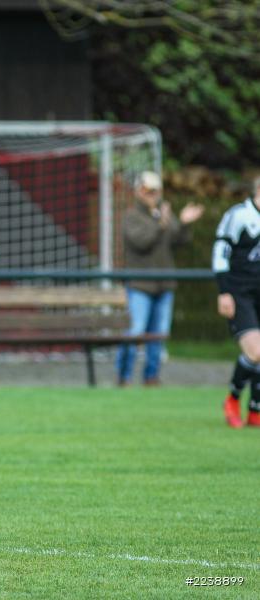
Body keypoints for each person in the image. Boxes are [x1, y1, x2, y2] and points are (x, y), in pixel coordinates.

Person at [116, 171, 204, 386]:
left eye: (155, 191)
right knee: (136, 332)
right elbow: (141, 242)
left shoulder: (162, 214)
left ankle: (151, 377)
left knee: (158, 335)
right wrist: (161, 224)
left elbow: (180, 241)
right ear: (138, 191)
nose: (152, 195)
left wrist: (183, 223)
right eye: (148, 190)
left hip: (164, 284)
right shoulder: (131, 217)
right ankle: (124, 377)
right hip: (140, 285)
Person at [214, 176, 260, 428]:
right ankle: (232, 399)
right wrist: (224, 292)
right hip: (241, 293)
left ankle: (255, 409)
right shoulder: (239, 215)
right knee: (256, 351)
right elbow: (221, 251)